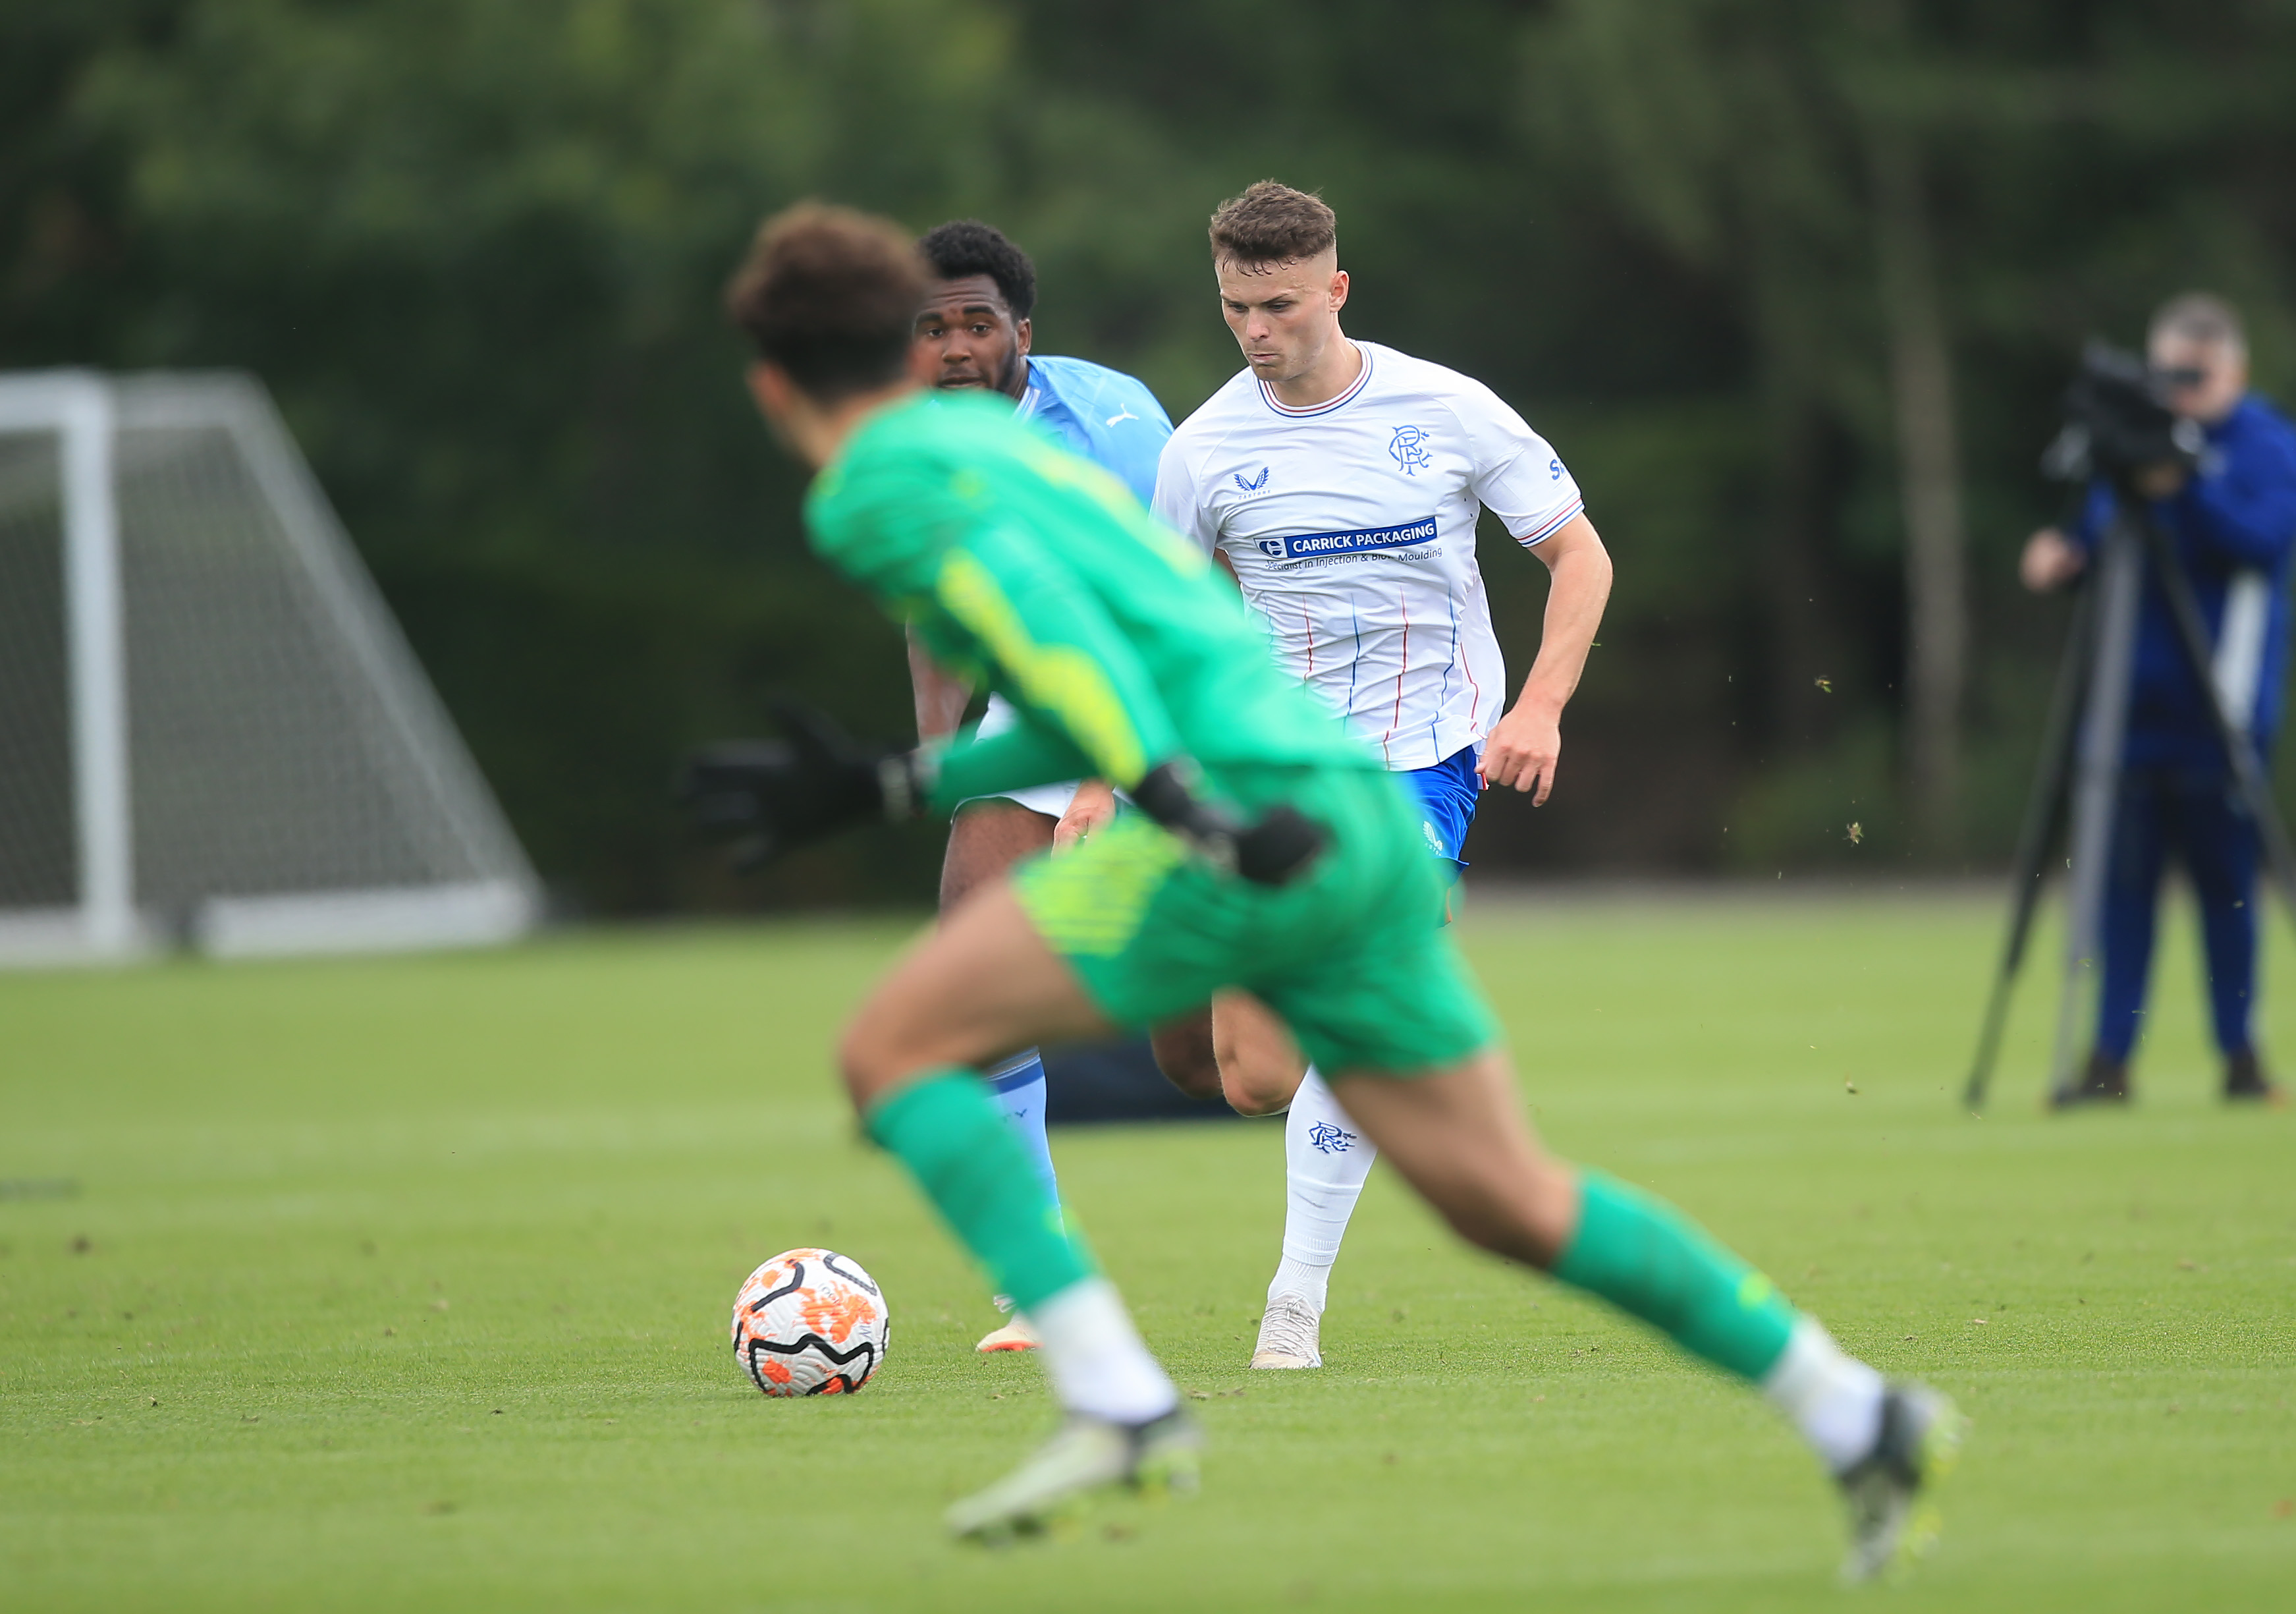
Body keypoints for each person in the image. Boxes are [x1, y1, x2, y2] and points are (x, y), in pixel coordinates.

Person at [717, 201, 1961, 1577]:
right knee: (1510, 1200)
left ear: (774, 383)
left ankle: (1117, 1398)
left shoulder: (879, 486)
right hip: (1347, 811)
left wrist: (1162, 799)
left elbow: (1075, 664)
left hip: (1242, 809)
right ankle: (1859, 1412)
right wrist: (910, 779)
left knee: (893, 1046)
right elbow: (1112, 660)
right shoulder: (1023, 446)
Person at [1148, 181, 1613, 1372]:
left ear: (1336, 290)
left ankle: (1291, 1311)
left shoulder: (1446, 410)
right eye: (1235, 307)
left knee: (1356, 1001)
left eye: (1280, 304)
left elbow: (1578, 556)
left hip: (1420, 764)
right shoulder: (1201, 452)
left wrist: (1542, 707)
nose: (1257, 331)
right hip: (1270, 772)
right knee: (1252, 1077)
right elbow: (1151, 629)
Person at [905, 219, 1175, 1352]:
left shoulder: (1107, 427)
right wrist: (936, 758)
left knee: (1214, 1063)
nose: (957, 348)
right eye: (932, 328)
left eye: (977, 323)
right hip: (1044, 689)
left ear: (1024, 332)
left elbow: (1179, 592)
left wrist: (1113, 785)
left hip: (1175, 683)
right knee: (967, 956)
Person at [2021, 292, 2296, 1107]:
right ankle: (2110, 1051)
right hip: (2126, 714)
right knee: (2123, 892)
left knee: (2228, 889)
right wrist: (2066, 554)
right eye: (2166, 373)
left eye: (2196, 376)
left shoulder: (2265, 446)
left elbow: (2262, 541)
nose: (2179, 391)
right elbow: (2106, 540)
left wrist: (2181, 483)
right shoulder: (2134, 452)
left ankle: (2241, 1052)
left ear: (2234, 371)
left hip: (2224, 710)